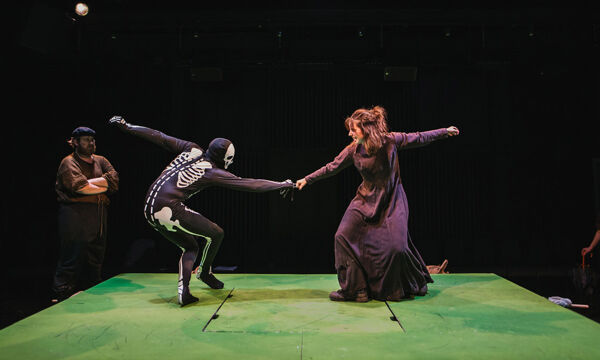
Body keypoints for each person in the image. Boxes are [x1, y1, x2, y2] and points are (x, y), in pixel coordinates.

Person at [109, 116, 295, 306]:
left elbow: (160, 137)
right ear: (224, 158)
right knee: (216, 234)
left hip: (148, 205)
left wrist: (128, 126)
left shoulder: (192, 148)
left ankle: (188, 288)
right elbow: (250, 184)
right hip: (167, 208)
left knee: (190, 246)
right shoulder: (212, 172)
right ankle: (203, 273)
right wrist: (282, 184)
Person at [296, 106, 459, 302]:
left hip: (392, 200)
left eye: (353, 129)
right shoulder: (353, 150)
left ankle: (398, 286)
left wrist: (444, 132)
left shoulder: (390, 141)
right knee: (342, 236)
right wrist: (307, 179)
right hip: (364, 201)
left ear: (366, 129)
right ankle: (356, 290)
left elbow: (419, 137)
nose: (349, 133)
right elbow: (332, 167)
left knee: (397, 248)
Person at [53, 126, 119, 302]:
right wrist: (102, 184)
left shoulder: (101, 160)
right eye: (86, 140)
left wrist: (91, 183)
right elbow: (79, 187)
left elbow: (114, 181)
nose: (91, 143)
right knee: (73, 252)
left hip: (98, 212)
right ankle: (62, 291)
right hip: (75, 212)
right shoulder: (68, 162)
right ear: (75, 142)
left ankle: (92, 289)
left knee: (96, 253)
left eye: (93, 140)